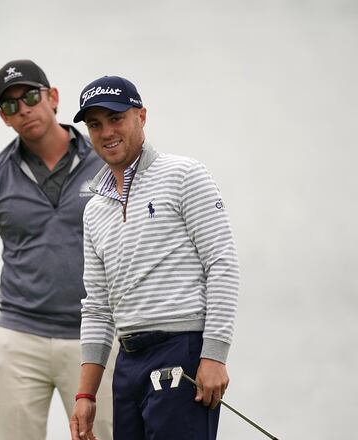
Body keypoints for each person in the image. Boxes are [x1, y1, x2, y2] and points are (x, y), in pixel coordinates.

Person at [0, 60, 115, 440]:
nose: (23, 109)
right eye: (10, 105)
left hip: (96, 339)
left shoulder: (105, 163)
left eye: (30, 96)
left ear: (53, 98)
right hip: (19, 340)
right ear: (4, 118)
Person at [69, 75, 239, 440]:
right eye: (96, 125)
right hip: (127, 361)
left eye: (116, 119)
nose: (107, 132)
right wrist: (86, 393)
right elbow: (98, 307)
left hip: (182, 351)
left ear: (141, 117)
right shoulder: (94, 210)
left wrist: (214, 356)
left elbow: (222, 264)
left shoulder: (184, 175)